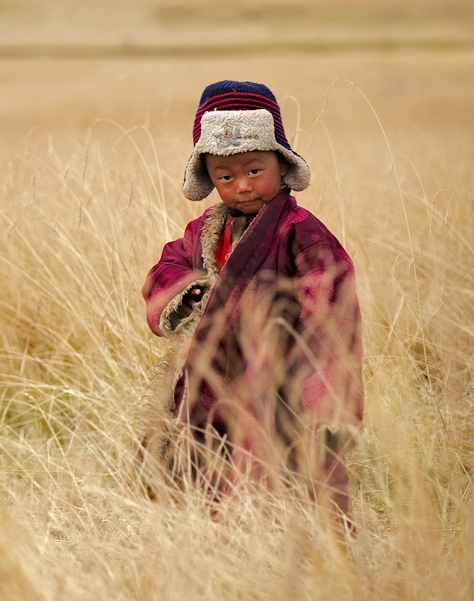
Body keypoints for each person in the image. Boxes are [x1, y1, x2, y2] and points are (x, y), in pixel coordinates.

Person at [139, 80, 363, 522]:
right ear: (209, 178)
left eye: (254, 169)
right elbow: (166, 269)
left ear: (281, 163)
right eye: (225, 175)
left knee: (288, 487)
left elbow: (331, 319)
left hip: (277, 385)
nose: (241, 186)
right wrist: (189, 292)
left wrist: (325, 402)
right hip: (211, 383)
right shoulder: (204, 232)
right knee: (206, 485)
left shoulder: (303, 233)